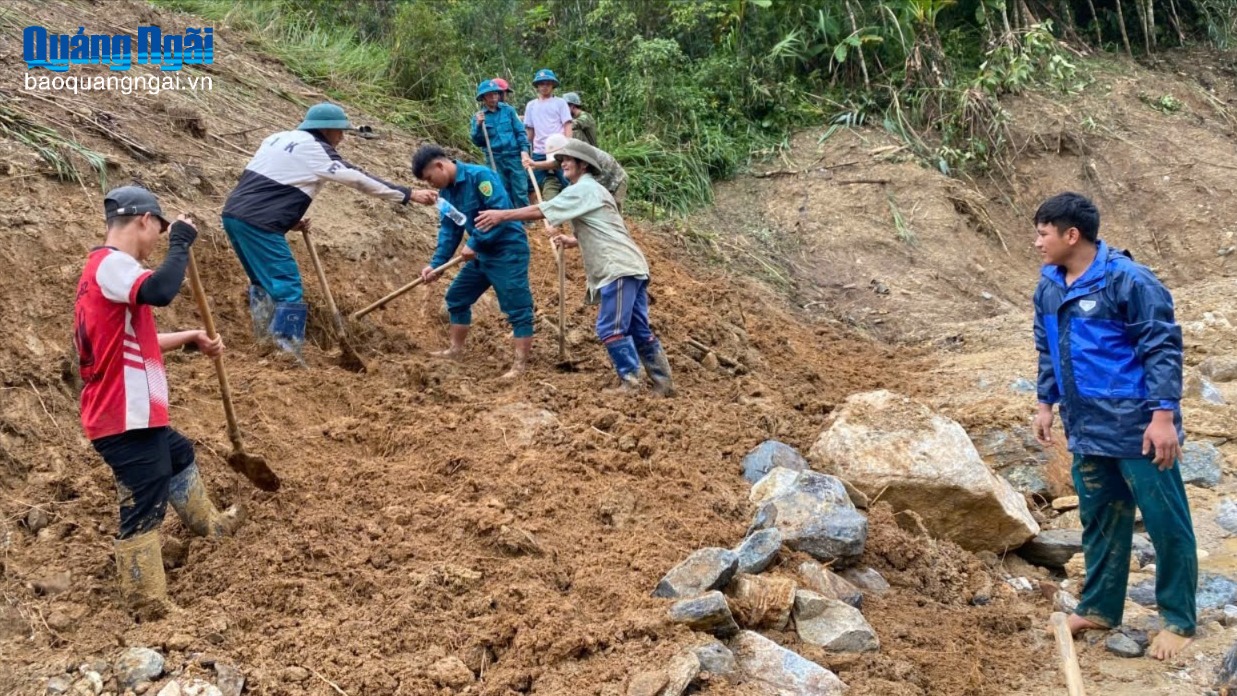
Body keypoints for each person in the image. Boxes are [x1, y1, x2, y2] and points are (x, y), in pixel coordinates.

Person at [1031, 192, 1195, 661]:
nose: (1038, 242)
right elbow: (1047, 349)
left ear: (1071, 234)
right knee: (1100, 519)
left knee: (1166, 523)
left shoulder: (1130, 280)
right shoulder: (1049, 287)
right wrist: (1046, 403)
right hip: (1085, 426)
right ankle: (1100, 608)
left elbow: (1161, 348)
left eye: (1043, 233)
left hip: (1138, 426)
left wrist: (1163, 417)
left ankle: (1178, 619)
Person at [74, 186, 245, 618]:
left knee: (180, 454)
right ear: (144, 221)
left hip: (135, 415)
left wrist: (189, 337)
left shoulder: (109, 273)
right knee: (144, 501)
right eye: (159, 231)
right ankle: (146, 599)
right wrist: (183, 241)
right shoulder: (113, 264)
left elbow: (137, 338)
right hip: (122, 417)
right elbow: (163, 290)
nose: (157, 242)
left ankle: (210, 527)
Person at [221, 102, 436, 358]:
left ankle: (265, 342)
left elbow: (271, 182)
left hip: (234, 214)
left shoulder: (277, 138)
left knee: (262, 282)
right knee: (287, 286)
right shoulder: (316, 149)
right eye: (340, 131)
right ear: (326, 130)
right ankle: (286, 351)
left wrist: (288, 220)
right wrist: (408, 194)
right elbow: (357, 178)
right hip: (260, 224)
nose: (343, 137)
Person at [476, 139, 672, 395]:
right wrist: (572, 239)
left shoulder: (584, 188)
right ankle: (663, 384)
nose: (563, 164)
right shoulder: (597, 191)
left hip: (617, 268)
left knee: (609, 328)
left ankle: (631, 383)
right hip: (629, 265)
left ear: (583, 165)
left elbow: (541, 210)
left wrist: (502, 215)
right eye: (561, 160)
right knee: (637, 328)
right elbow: (606, 227)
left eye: (568, 160)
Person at [411, 145, 535, 379]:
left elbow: (499, 212)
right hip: (481, 254)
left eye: (429, 178)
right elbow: (449, 230)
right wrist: (436, 264)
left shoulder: (481, 177)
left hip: (507, 250)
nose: (430, 185)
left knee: (517, 307)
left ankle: (520, 365)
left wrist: (475, 242)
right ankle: (455, 350)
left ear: (440, 165)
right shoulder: (446, 195)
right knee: (457, 298)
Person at [471, 79, 531, 208]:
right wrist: (478, 126)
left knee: (520, 188)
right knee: (502, 189)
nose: (493, 97)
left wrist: (524, 150)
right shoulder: (478, 117)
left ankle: (527, 220)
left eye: (495, 94)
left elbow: (520, 132)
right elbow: (477, 142)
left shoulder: (508, 111)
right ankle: (510, 220)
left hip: (514, 155)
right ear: (483, 98)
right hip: (494, 158)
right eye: (489, 95)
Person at [520, 68, 572, 200]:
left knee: (567, 180)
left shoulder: (560, 103)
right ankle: (532, 217)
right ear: (537, 86)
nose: (544, 87)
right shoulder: (531, 105)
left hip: (558, 149)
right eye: (541, 83)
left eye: (548, 83)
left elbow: (567, 125)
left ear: (553, 85)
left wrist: (568, 145)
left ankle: (573, 214)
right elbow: (530, 130)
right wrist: (525, 149)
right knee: (532, 182)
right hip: (539, 150)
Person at [543, 133, 628, 209]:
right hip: (599, 181)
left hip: (616, 180)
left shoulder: (578, 150)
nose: (563, 164)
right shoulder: (569, 152)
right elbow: (559, 163)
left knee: (613, 212)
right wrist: (535, 165)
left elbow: (558, 164)